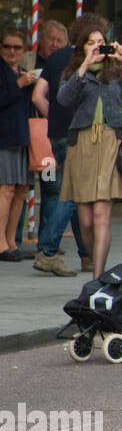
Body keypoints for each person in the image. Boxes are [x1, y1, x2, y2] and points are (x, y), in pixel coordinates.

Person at [56, 15, 122, 279]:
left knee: (100, 215)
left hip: (110, 142)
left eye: (101, 42)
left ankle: (97, 278)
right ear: (81, 47)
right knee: (84, 220)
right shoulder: (75, 72)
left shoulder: (116, 72)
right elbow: (63, 99)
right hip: (82, 144)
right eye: (91, 43)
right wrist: (85, 65)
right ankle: (92, 259)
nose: (98, 47)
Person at [31, 19, 90, 276]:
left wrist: (53, 116)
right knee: (71, 194)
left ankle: (87, 254)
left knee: (73, 192)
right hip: (77, 134)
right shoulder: (85, 59)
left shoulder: (54, 60)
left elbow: (37, 96)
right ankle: (47, 250)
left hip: (56, 134)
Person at [0, 27, 37, 260]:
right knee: (5, 189)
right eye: (7, 46)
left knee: (21, 190)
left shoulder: (23, 71)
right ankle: (1, 243)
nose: (12, 51)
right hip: (4, 138)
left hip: (23, 137)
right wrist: (20, 84)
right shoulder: (7, 73)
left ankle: (12, 240)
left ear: (24, 50)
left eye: (17, 47)